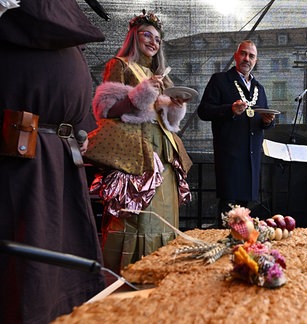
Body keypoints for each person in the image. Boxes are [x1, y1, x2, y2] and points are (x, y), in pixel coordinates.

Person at [0, 1, 106, 322]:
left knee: (63, 264)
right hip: (20, 155)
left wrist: (80, 125)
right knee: (30, 271)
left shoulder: (64, 19)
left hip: (60, 152)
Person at [88, 10, 193, 274]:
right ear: (135, 36)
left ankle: (158, 277)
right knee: (134, 219)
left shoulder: (159, 74)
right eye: (148, 35)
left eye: (158, 39)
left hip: (163, 153)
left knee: (163, 219)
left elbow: (163, 118)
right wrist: (145, 93)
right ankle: (125, 280)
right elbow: (106, 109)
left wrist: (174, 106)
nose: (153, 42)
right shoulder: (119, 65)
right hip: (134, 155)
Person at [197, 40, 276, 225]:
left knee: (246, 212)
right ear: (235, 55)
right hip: (230, 157)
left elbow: (260, 121)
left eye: (251, 56)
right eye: (243, 53)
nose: (246, 59)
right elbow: (204, 111)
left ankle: (243, 248)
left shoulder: (259, 88)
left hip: (251, 159)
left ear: (256, 61)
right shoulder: (220, 80)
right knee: (228, 209)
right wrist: (230, 109)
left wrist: (267, 122)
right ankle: (225, 246)